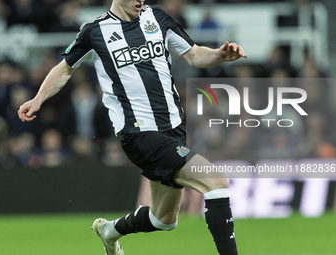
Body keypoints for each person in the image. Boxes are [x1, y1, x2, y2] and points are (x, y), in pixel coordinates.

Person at [18, 0, 247, 254]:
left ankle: (109, 230)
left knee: (164, 220)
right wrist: (38, 99)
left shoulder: (158, 18)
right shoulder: (95, 31)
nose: (140, 0)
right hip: (139, 133)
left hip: (173, 128)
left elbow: (193, 54)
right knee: (216, 183)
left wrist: (219, 55)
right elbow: (64, 69)